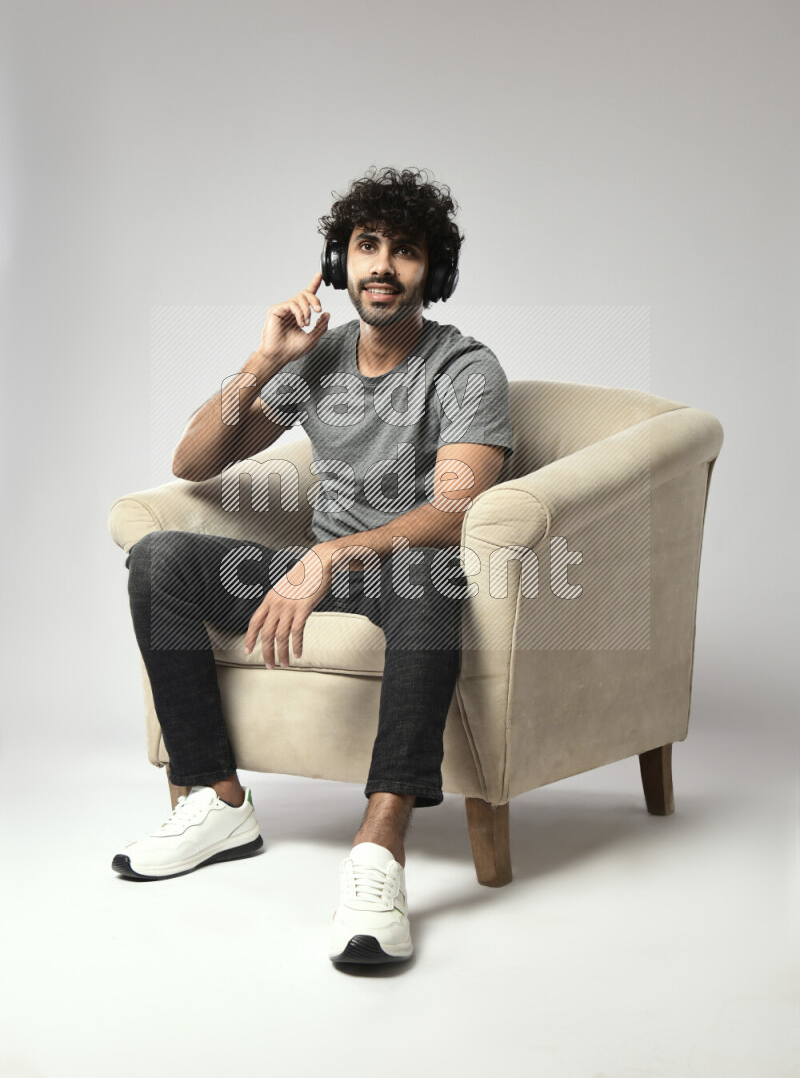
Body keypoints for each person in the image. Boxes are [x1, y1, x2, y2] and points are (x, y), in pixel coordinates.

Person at [114, 166, 515, 966]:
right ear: (340, 262)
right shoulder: (319, 361)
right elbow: (193, 461)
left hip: (397, 573)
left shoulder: (466, 370)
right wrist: (264, 363)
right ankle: (218, 798)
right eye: (367, 246)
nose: (382, 266)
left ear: (431, 271)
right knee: (159, 558)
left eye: (404, 251)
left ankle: (380, 846)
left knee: (436, 579)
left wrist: (329, 556)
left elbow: (454, 511)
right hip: (315, 569)